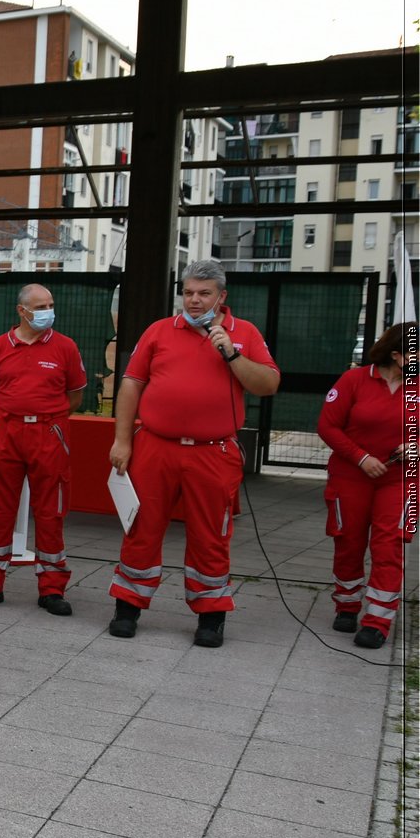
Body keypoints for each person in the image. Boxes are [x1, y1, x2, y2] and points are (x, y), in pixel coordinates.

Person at [108, 259, 280, 647]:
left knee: (211, 534)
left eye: (204, 294)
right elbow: (132, 385)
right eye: (188, 292)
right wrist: (123, 440)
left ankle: (210, 614)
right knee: (141, 527)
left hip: (213, 451)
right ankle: (128, 606)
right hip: (155, 446)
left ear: (222, 297)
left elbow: (268, 384)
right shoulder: (159, 331)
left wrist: (233, 354)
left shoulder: (244, 333)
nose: (194, 300)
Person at [0, 284, 87, 615]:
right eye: (40, 306)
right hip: (6, 430)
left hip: (49, 432)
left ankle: (51, 588)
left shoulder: (65, 347)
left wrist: (48, 417)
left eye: (50, 303)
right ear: (21, 311)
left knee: (51, 511)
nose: (48, 310)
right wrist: (11, 416)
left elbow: (75, 397)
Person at [317, 321, 417, 649]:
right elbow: (328, 426)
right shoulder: (354, 380)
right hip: (351, 477)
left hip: (400, 480)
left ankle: (378, 620)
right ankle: (347, 605)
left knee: (388, 546)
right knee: (348, 541)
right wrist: (361, 458)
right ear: (396, 354)